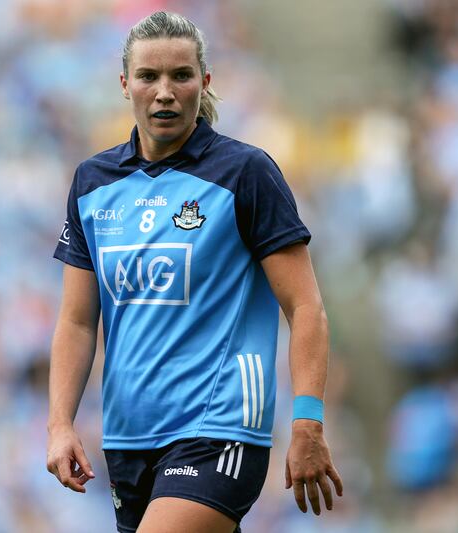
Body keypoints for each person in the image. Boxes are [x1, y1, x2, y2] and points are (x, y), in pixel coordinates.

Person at [47, 11, 342, 533]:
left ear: (203, 82)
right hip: (128, 438)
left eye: (181, 76)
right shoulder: (93, 183)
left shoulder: (244, 173)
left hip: (220, 428)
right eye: (148, 77)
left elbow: (305, 306)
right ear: (125, 85)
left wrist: (307, 420)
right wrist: (59, 424)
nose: (164, 92)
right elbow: (75, 321)